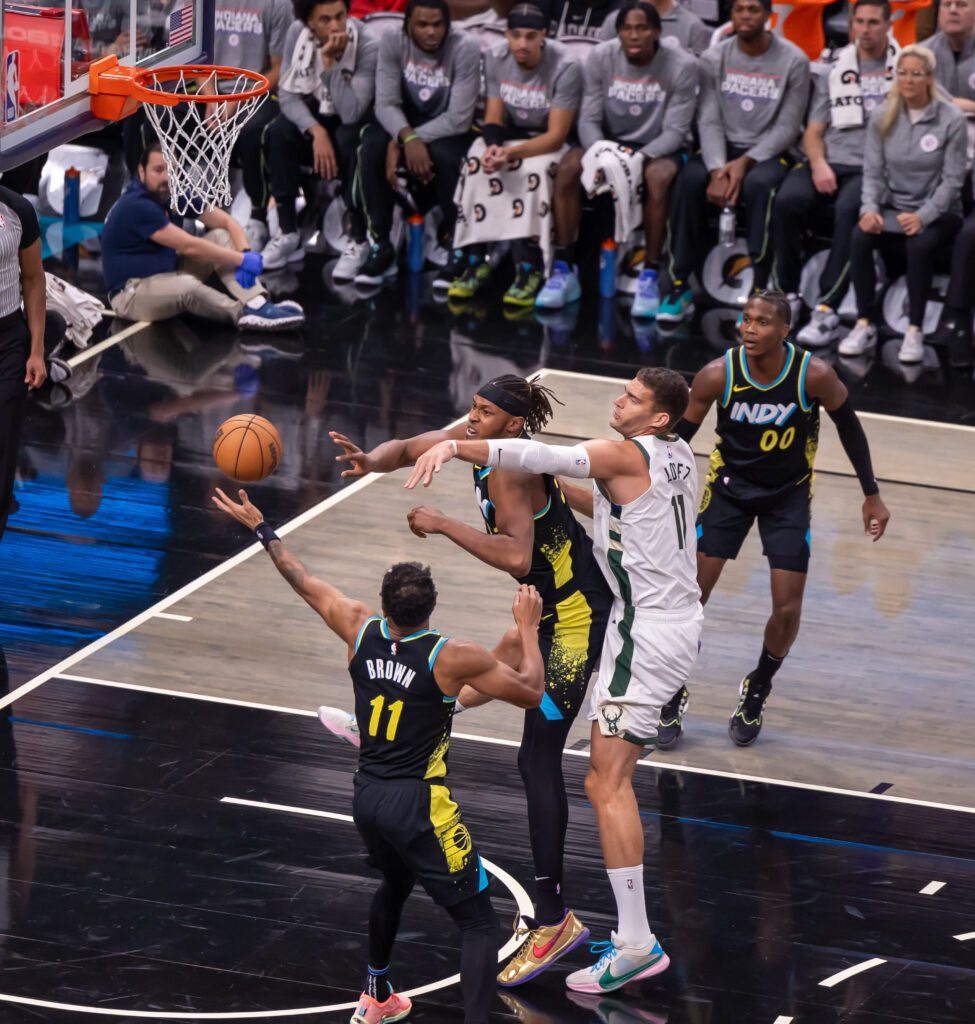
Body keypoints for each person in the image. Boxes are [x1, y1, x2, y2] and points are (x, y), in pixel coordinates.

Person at [404, 366, 702, 995]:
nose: (618, 402)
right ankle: (618, 935)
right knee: (524, 667)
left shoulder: (625, 451)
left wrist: (457, 444)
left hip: (644, 631)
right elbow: (617, 504)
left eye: (633, 399)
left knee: (605, 781)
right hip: (661, 622)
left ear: (658, 420)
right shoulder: (677, 454)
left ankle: (631, 943)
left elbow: (550, 455)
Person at [212, 488, 545, 1024]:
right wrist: (527, 629)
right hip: (419, 804)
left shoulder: (357, 626)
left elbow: (301, 579)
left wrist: (262, 528)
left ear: (385, 602)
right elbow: (531, 693)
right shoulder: (450, 655)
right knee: (480, 924)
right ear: (431, 607)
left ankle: (377, 996)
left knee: (395, 882)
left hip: (367, 795)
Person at [326, 374, 612, 987]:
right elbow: (406, 447)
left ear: (514, 426)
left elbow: (514, 555)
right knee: (484, 680)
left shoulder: (510, 471)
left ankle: (554, 920)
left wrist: (443, 522)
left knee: (537, 760)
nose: (471, 418)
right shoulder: (476, 435)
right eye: (473, 408)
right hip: (548, 606)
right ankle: (397, 724)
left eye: (484, 412)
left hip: (574, 616)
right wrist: (370, 458)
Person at [658, 292, 890, 749]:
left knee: (786, 607)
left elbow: (850, 426)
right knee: (691, 600)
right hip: (727, 492)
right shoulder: (717, 374)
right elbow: (676, 438)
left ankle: (758, 687)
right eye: (745, 319)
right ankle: (671, 691)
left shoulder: (815, 375)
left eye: (762, 322)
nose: (749, 328)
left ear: (785, 330)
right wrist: (633, 473)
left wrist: (871, 494)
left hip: (787, 495)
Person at [537, 0, 698, 317]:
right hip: (608, 142)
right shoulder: (600, 56)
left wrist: (636, 159)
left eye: (642, 29)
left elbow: (677, 131)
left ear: (656, 31)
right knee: (568, 168)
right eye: (627, 29)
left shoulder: (682, 64)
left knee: (658, 177)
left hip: (657, 146)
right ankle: (564, 269)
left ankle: (650, 274)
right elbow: (588, 118)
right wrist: (602, 154)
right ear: (617, 31)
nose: (634, 35)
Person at [662, 0, 809, 324]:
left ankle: (761, 290)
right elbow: (709, 119)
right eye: (739, 9)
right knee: (688, 181)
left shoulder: (794, 60)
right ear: (731, 14)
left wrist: (744, 162)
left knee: (760, 186)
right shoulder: (714, 57)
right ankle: (677, 284)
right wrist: (717, 168)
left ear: (769, 15)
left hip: (771, 150)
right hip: (722, 148)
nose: (745, 15)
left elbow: (787, 127)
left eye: (753, 9)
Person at [772, 0, 897, 348]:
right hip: (829, 160)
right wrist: (819, 164)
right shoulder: (837, 67)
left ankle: (826, 307)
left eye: (874, 22)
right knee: (786, 201)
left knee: (848, 212)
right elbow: (813, 131)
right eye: (860, 21)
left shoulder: (902, 68)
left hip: (872, 167)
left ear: (888, 25)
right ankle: (788, 296)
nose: (866, 29)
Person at [446, 4, 582, 308]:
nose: (522, 44)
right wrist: (494, 146)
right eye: (516, 35)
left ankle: (530, 267)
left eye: (530, 36)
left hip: (551, 140)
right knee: (476, 162)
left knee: (533, 171)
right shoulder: (495, 56)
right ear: (506, 33)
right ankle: (475, 258)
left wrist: (510, 153)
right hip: (511, 135)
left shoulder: (566, 65)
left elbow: (557, 135)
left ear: (543, 36)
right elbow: (493, 116)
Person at [838, 45, 966, 365]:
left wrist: (923, 216)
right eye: (902, 73)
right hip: (894, 206)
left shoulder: (950, 118)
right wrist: (869, 209)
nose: (908, 80)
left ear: (929, 78)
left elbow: (953, 181)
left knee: (920, 245)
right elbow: (872, 172)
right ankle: (864, 322)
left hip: (940, 211)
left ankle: (915, 329)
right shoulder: (883, 114)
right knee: (859, 235)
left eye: (916, 74)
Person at [101, 144, 305, 332]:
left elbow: (227, 222)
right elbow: (188, 245)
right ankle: (242, 314)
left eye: (171, 170)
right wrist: (240, 260)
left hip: (166, 275)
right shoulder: (137, 205)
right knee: (187, 286)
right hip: (131, 295)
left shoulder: (172, 194)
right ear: (141, 171)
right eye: (158, 170)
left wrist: (245, 253)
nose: (166, 177)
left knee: (220, 236)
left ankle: (257, 304)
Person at [354, 0, 481, 285]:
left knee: (447, 156)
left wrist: (405, 141)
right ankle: (381, 243)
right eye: (422, 25)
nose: (431, 32)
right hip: (406, 118)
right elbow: (385, 103)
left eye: (438, 25)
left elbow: (460, 117)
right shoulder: (392, 39)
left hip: (451, 125)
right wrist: (406, 136)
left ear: (448, 26)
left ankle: (460, 250)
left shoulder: (465, 46)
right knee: (371, 142)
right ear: (407, 25)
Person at [266, 0, 379, 276]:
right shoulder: (296, 33)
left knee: (349, 138)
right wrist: (315, 131)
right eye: (325, 19)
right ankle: (289, 233)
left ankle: (358, 239)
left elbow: (352, 112)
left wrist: (331, 65)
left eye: (340, 16)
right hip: (317, 112)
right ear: (309, 23)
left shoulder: (367, 42)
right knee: (279, 131)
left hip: (354, 116)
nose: (335, 25)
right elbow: (288, 96)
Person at [210, 0, 299, 252]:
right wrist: (210, 96)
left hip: (259, 92)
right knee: (155, 116)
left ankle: (258, 219)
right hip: (209, 90)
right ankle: (166, 210)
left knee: (253, 131)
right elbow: (195, 57)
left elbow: (280, 68)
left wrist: (236, 100)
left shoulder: (278, 5)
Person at [0, 185, 46, 543]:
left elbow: (33, 278)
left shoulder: (17, 210)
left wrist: (36, 350)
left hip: (7, 339)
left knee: (4, 443)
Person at [925, 0, 975, 114]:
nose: (953, 10)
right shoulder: (922, 55)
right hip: (935, 129)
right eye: (947, 5)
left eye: (961, 5)